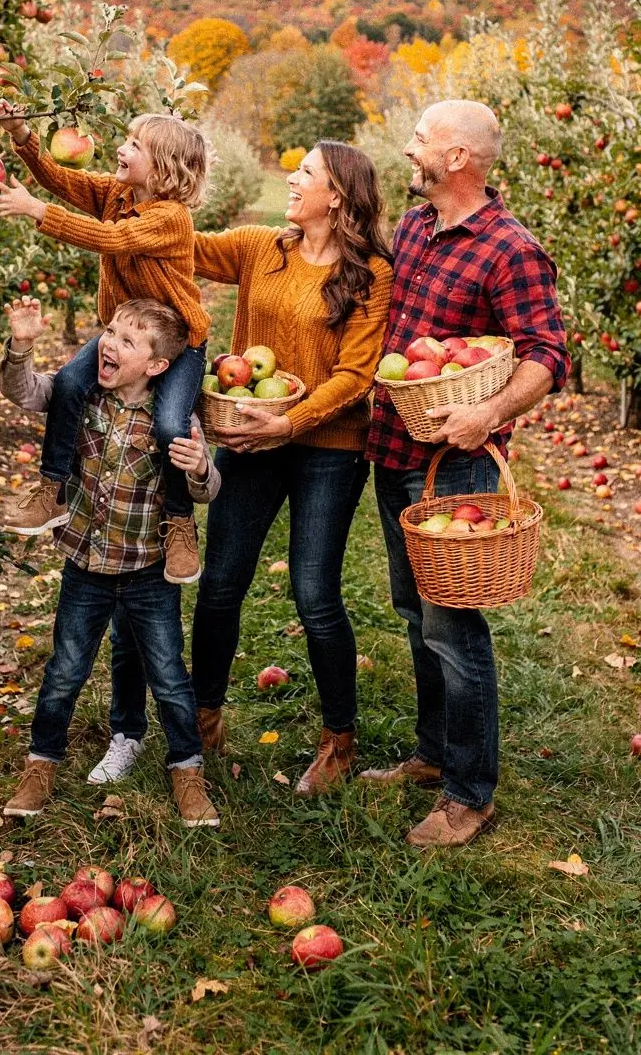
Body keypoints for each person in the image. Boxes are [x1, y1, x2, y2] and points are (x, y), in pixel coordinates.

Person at [105, 143, 393, 796]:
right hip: (249, 436)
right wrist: (137, 192)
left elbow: (355, 375)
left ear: (339, 196)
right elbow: (180, 247)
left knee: (315, 593)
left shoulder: (371, 273)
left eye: (306, 174)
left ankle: (338, 740)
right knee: (221, 584)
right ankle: (203, 721)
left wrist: (289, 423)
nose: (291, 180)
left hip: (330, 446)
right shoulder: (263, 248)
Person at [362, 99, 570, 849]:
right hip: (395, 448)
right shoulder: (415, 227)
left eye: (420, 138)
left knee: (453, 626)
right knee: (416, 614)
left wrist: (488, 414)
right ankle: (432, 752)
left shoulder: (511, 249)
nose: (408, 147)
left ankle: (469, 794)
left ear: (456, 158)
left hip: (457, 465)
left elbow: (547, 355)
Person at [0, 294, 221, 829]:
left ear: (157, 366)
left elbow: (209, 488)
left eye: (127, 340)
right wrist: (21, 345)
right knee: (64, 672)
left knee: (168, 675)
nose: (109, 343)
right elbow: (25, 393)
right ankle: (41, 764)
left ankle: (187, 771)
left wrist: (199, 469)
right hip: (85, 566)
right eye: (110, 331)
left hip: (148, 571)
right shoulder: (80, 398)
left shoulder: (175, 420)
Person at [0, 105, 211, 585]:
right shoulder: (116, 192)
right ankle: (52, 489)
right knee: (67, 384)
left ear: (165, 169)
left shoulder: (171, 218)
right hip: (125, 331)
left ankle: (180, 522)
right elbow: (58, 178)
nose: (120, 150)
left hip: (179, 340)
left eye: (134, 146)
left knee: (170, 426)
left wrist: (38, 214)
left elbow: (112, 239)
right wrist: (22, 135)